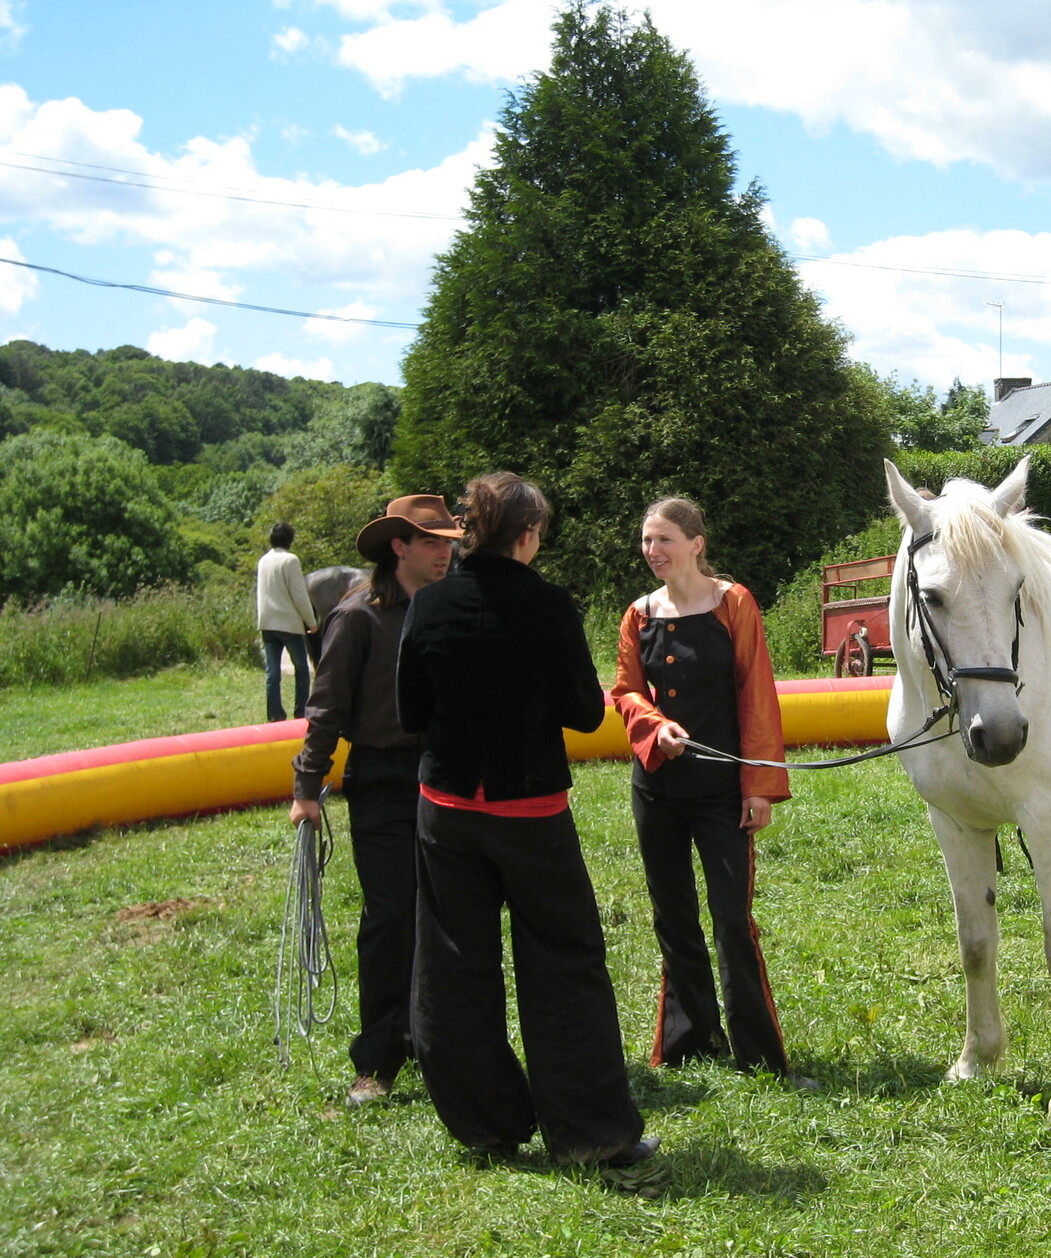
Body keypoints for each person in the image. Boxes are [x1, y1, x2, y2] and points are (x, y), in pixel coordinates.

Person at [397, 472, 654, 1167]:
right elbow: (585, 713)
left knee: (452, 967)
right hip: (531, 809)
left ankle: (486, 1127)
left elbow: (410, 713)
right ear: (529, 534)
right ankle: (590, 1134)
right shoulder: (550, 606)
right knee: (565, 964)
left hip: (447, 809)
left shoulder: (429, 605)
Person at [610, 497, 798, 1081]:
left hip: (722, 791)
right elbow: (625, 690)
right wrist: (653, 727)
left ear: (696, 544)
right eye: (647, 541)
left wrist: (759, 786)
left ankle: (758, 1055)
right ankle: (689, 1042)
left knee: (732, 919)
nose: (653, 551)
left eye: (664, 539)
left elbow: (757, 694)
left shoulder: (733, 603)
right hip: (657, 789)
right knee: (673, 916)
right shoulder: (638, 614)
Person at [289, 496, 463, 1107]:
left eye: (448, 543)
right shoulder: (358, 616)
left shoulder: (449, 606)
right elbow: (326, 707)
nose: (444, 554)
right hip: (384, 780)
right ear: (399, 547)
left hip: (446, 773)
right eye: (431, 542)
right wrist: (307, 787)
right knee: (390, 917)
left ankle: (442, 1044)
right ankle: (379, 1060)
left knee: (448, 914)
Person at [256, 522, 317, 722]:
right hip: (289, 623)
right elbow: (299, 595)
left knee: (272, 673)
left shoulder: (263, 560)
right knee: (302, 668)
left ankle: (274, 714)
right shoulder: (291, 560)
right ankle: (301, 711)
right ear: (289, 540)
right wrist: (311, 621)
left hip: (267, 622)